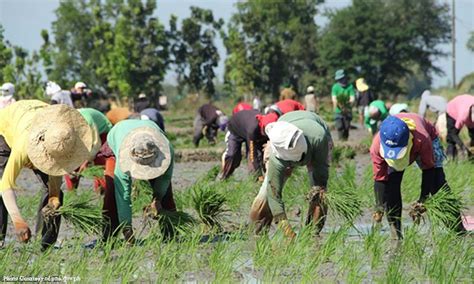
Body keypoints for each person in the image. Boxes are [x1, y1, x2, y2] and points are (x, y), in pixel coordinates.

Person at [0, 101, 94, 248]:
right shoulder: (22, 147)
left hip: (41, 116)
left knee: (56, 197)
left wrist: (54, 196)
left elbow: (55, 174)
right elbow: (6, 184)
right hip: (6, 127)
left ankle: (46, 244)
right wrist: (18, 221)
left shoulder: (63, 136)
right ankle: (0, 239)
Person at [370, 114, 466, 240]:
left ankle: (458, 230)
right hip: (397, 147)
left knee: (438, 186)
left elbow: (429, 170)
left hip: (426, 140)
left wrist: (423, 200)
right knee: (391, 188)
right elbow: (380, 178)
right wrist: (379, 205)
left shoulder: (423, 139)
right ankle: (396, 235)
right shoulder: (376, 146)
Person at [250, 111, 332, 238]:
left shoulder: (319, 138)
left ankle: (312, 234)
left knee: (319, 191)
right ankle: (257, 232)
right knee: (266, 192)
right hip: (284, 135)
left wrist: (318, 189)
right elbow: (274, 195)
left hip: (315, 137)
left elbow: (321, 177)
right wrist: (288, 232)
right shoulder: (277, 155)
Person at [98, 119, 176, 242]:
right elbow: (123, 195)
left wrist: (158, 199)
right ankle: (108, 237)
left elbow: (165, 178)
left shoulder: (166, 149)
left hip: (150, 133)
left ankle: (170, 235)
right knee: (112, 193)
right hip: (118, 136)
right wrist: (127, 229)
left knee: (166, 193)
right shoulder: (122, 156)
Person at [219, 110, 278, 180]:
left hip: (251, 130)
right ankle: (224, 177)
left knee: (260, 156)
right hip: (236, 130)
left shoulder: (271, 126)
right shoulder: (253, 129)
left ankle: (255, 180)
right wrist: (260, 175)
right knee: (233, 156)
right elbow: (253, 155)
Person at [64, 108, 113, 191]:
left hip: (102, 132)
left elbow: (96, 144)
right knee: (71, 166)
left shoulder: (88, 121)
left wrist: (86, 161)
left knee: (98, 162)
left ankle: (102, 190)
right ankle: (72, 192)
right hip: (82, 134)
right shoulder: (64, 125)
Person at [445, 94, 474, 159]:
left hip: (465, 103)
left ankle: (472, 155)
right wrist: (462, 146)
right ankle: (451, 157)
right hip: (452, 110)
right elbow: (454, 133)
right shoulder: (463, 115)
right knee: (451, 137)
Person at [331, 69, 355, 141]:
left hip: (347, 110)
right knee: (339, 126)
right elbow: (334, 98)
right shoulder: (335, 87)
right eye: (339, 79)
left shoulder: (350, 86)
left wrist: (347, 104)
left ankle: (345, 140)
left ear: (344, 78)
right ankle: (340, 140)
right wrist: (339, 105)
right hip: (338, 110)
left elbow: (352, 98)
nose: (341, 81)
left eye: (342, 79)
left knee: (346, 127)